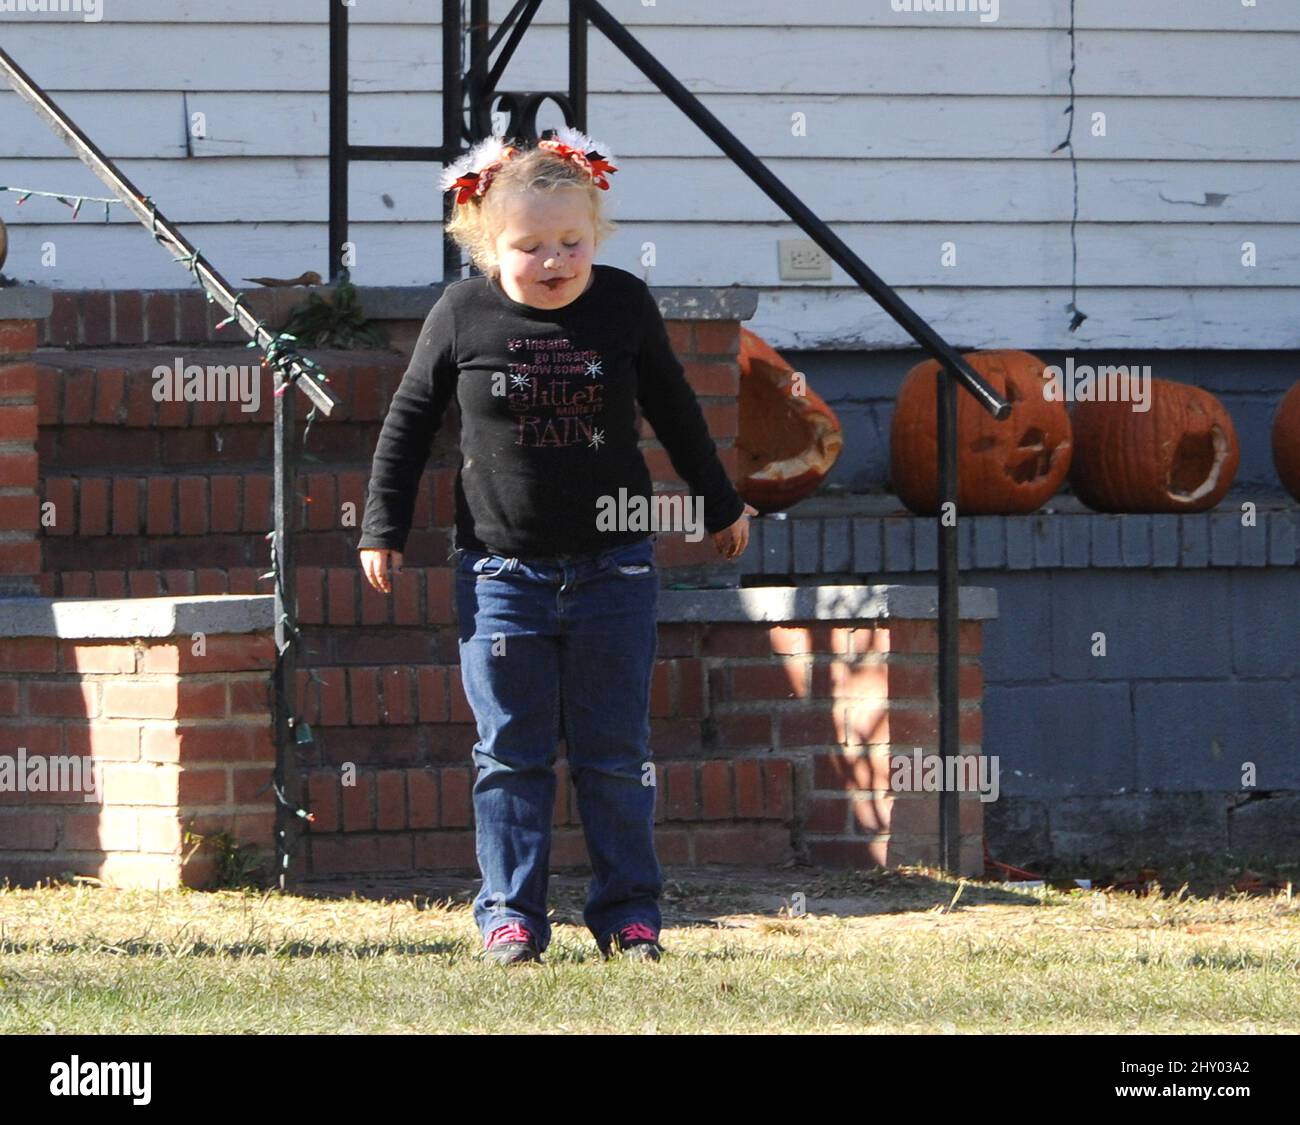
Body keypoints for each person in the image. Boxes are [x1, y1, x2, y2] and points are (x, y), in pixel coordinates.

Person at [358, 126, 756, 965]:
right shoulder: (462, 315)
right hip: (503, 572)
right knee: (510, 752)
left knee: (615, 751)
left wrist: (720, 502)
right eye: (529, 245)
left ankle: (630, 914)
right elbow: (408, 424)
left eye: (570, 242)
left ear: (597, 234)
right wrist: (381, 526)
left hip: (615, 565)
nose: (553, 260)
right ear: (484, 243)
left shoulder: (623, 306)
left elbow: (677, 411)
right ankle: (510, 914)